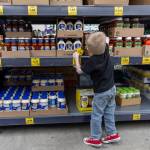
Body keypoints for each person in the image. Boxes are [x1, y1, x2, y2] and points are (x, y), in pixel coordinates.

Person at [73, 32, 121, 147]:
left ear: (90, 50)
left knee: (96, 115)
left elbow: (80, 71)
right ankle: (112, 134)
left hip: (101, 93)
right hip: (111, 88)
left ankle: (95, 138)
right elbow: (106, 40)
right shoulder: (106, 52)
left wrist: (76, 58)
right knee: (109, 112)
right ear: (105, 45)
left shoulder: (92, 61)